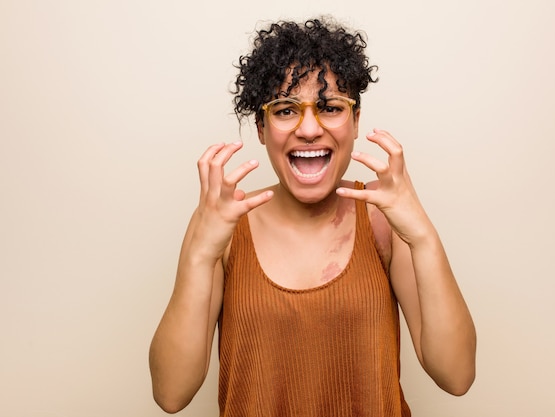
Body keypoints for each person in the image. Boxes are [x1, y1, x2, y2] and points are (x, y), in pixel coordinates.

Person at [149, 16, 476, 416]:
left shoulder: (381, 219)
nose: (308, 128)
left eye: (329, 107)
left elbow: (456, 376)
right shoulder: (223, 226)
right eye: (285, 110)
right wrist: (200, 254)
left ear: (355, 121)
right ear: (261, 127)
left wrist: (423, 235)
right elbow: (171, 394)